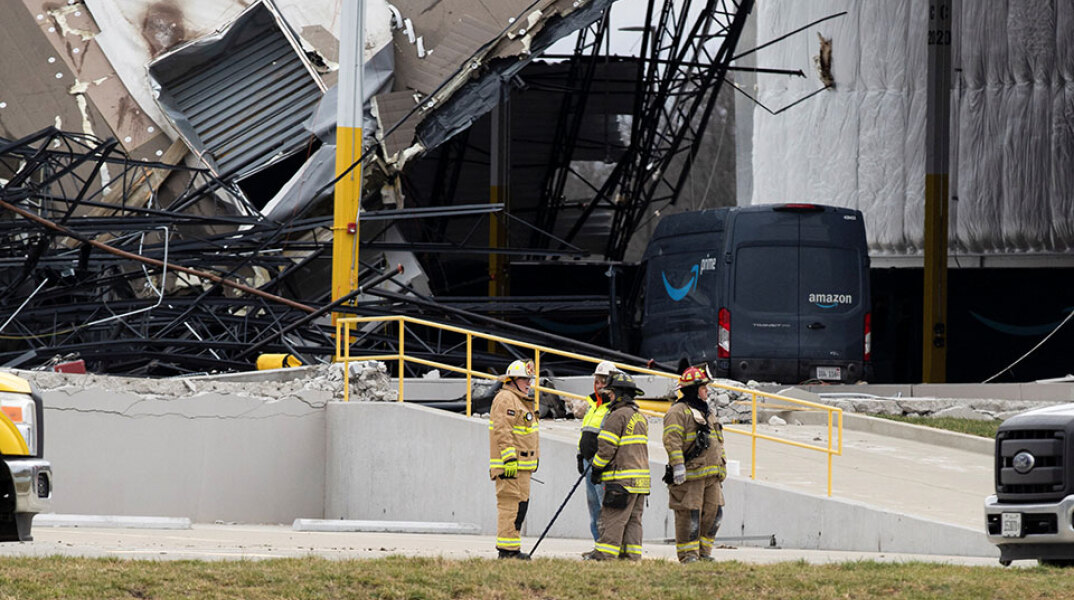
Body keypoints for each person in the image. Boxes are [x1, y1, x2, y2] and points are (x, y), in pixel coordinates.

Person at [662, 365, 727, 563]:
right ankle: (688, 555)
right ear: (693, 389)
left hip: (712, 476)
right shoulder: (677, 412)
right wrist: (678, 465)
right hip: (690, 476)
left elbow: (718, 441)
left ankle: (704, 553)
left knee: (715, 513)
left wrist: (722, 466)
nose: (707, 391)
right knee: (688, 515)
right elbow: (672, 440)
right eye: (703, 387)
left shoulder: (707, 412)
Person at [583, 372, 650, 561]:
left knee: (614, 517)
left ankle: (605, 555)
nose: (609, 397)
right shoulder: (640, 417)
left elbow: (606, 449)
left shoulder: (616, 416)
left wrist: (596, 469)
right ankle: (631, 557)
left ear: (620, 394)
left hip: (621, 479)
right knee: (633, 521)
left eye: (611, 393)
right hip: (641, 481)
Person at [488, 359, 539, 559]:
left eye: (530, 380)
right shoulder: (506, 399)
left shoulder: (520, 401)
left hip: (523, 467)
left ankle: (513, 548)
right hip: (511, 466)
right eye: (525, 379)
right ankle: (507, 551)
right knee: (510, 506)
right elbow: (503, 430)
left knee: (519, 507)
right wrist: (509, 459)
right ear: (513, 380)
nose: (529, 384)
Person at [576, 360, 620, 541]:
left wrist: (600, 464)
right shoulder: (593, 405)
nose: (600, 385)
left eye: (604, 381)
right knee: (593, 507)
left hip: (603, 466)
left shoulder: (614, 407)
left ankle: (608, 545)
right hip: (589, 464)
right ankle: (598, 544)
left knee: (606, 507)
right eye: (597, 381)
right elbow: (585, 431)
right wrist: (580, 455)